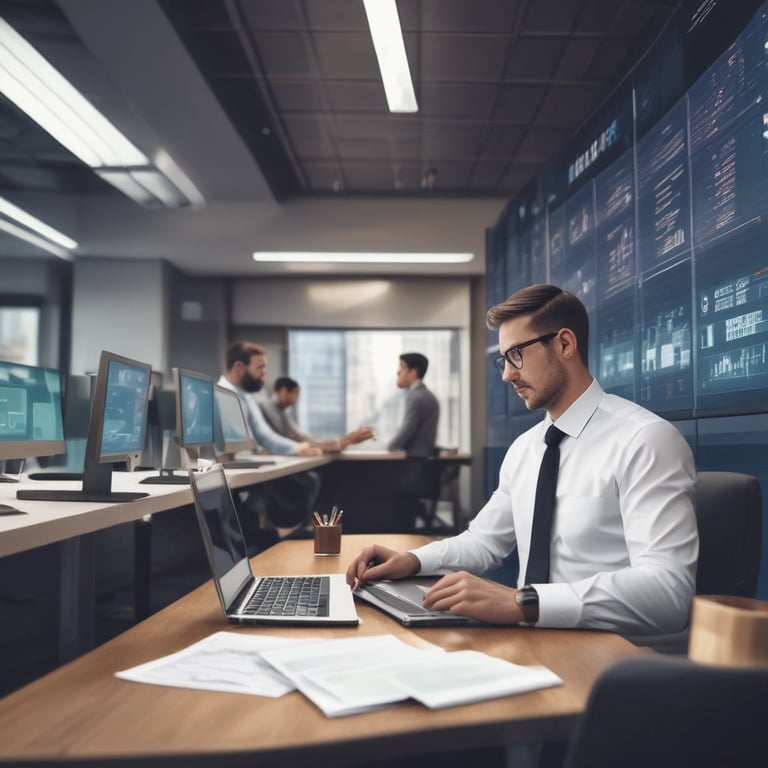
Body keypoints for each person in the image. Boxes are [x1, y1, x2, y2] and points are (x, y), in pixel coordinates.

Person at [347, 284, 699, 636]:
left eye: (516, 355)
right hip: (528, 640)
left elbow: (668, 594)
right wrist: (412, 560)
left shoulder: (644, 440)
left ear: (564, 344)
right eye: (503, 359)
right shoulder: (525, 449)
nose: (506, 375)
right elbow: (483, 542)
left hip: (607, 653)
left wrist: (525, 602)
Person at [217, 341, 323, 533]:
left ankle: (288, 534)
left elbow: (264, 435)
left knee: (308, 480)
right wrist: (295, 448)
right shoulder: (221, 395)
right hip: (230, 470)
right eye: (260, 368)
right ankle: (279, 536)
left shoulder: (246, 396)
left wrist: (297, 448)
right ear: (239, 367)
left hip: (245, 466)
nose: (264, 375)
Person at [259, 376, 374, 453]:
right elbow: (301, 439)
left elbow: (305, 438)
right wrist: (343, 441)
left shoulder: (281, 412)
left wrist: (343, 440)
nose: (296, 399)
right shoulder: (267, 409)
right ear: (284, 391)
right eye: (295, 393)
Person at [387, 353, 439, 457]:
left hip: (415, 463)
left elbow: (406, 431)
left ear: (412, 372)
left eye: (401, 367)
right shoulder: (425, 395)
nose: (398, 372)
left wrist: (391, 446)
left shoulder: (416, 396)